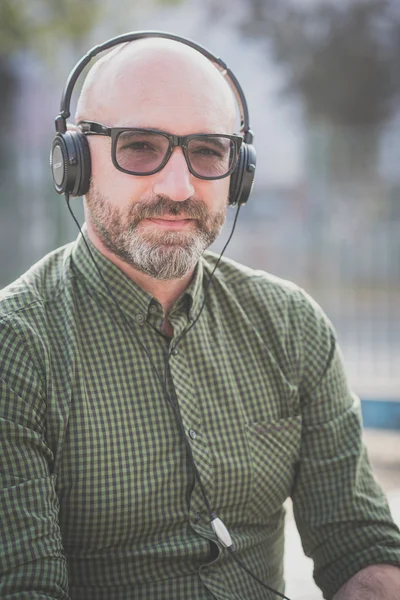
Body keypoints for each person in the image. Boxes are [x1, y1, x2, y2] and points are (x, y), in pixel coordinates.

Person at [0, 32, 399, 600]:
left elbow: (362, 548)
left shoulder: (293, 327)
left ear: (239, 173)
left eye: (209, 152)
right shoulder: (16, 346)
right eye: (138, 146)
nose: (179, 186)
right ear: (73, 161)